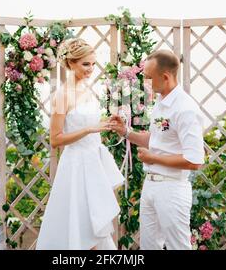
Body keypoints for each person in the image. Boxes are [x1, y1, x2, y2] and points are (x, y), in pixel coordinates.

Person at [110, 49, 205, 250]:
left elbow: (194, 160)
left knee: (178, 247)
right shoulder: (161, 102)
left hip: (172, 189)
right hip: (151, 185)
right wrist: (125, 132)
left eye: (148, 78)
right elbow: (156, 139)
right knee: (148, 246)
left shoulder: (186, 109)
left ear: (165, 77)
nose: (145, 82)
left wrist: (153, 158)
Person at [36, 38, 124, 250]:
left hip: (94, 164)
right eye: (86, 64)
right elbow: (55, 139)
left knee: (95, 223)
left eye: (93, 64)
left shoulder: (87, 90)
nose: (91, 69)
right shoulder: (62, 96)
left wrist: (105, 123)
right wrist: (88, 130)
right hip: (76, 167)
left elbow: (89, 123)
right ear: (71, 64)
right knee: (82, 226)